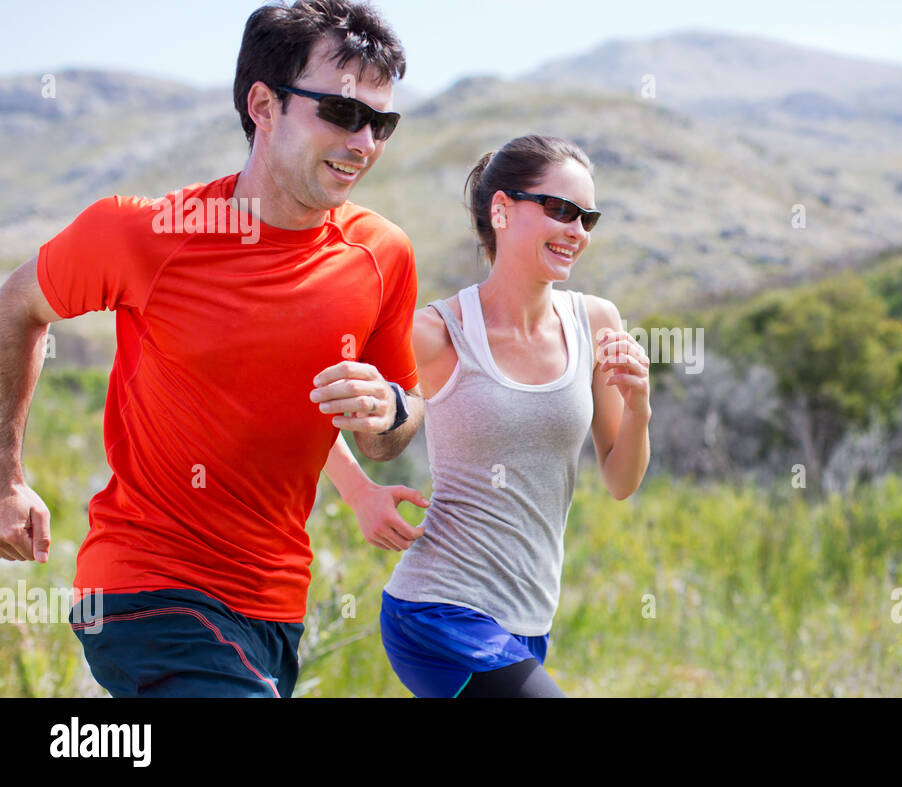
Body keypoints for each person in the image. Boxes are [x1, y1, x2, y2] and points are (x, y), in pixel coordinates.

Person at [0, 0, 424, 698]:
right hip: (144, 589)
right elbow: (17, 306)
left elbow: (390, 433)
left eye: (382, 123)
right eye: (344, 114)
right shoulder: (144, 234)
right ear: (263, 104)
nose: (364, 143)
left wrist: (390, 412)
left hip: (274, 607)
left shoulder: (383, 255)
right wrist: (7, 476)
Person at [324, 135, 652, 697]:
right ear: (501, 210)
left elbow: (620, 482)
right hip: (438, 612)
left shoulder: (597, 321)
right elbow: (309, 392)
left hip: (526, 624)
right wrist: (358, 493)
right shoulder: (436, 332)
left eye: (588, 218)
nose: (577, 230)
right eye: (560, 209)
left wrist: (641, 408)